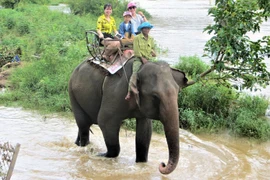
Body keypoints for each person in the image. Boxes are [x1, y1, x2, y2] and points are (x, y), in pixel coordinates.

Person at [125, 22, 156, 100]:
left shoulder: (151, 39)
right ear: (142, 29)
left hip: (149, 59)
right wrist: (142, 59)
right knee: (135, 73)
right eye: (145, 28)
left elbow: (153, 48)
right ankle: (129, 91)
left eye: (148, 28)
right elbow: (136, 50)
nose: (147, 30)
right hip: (139, 59)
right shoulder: (137, 38)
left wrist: (154, 52)